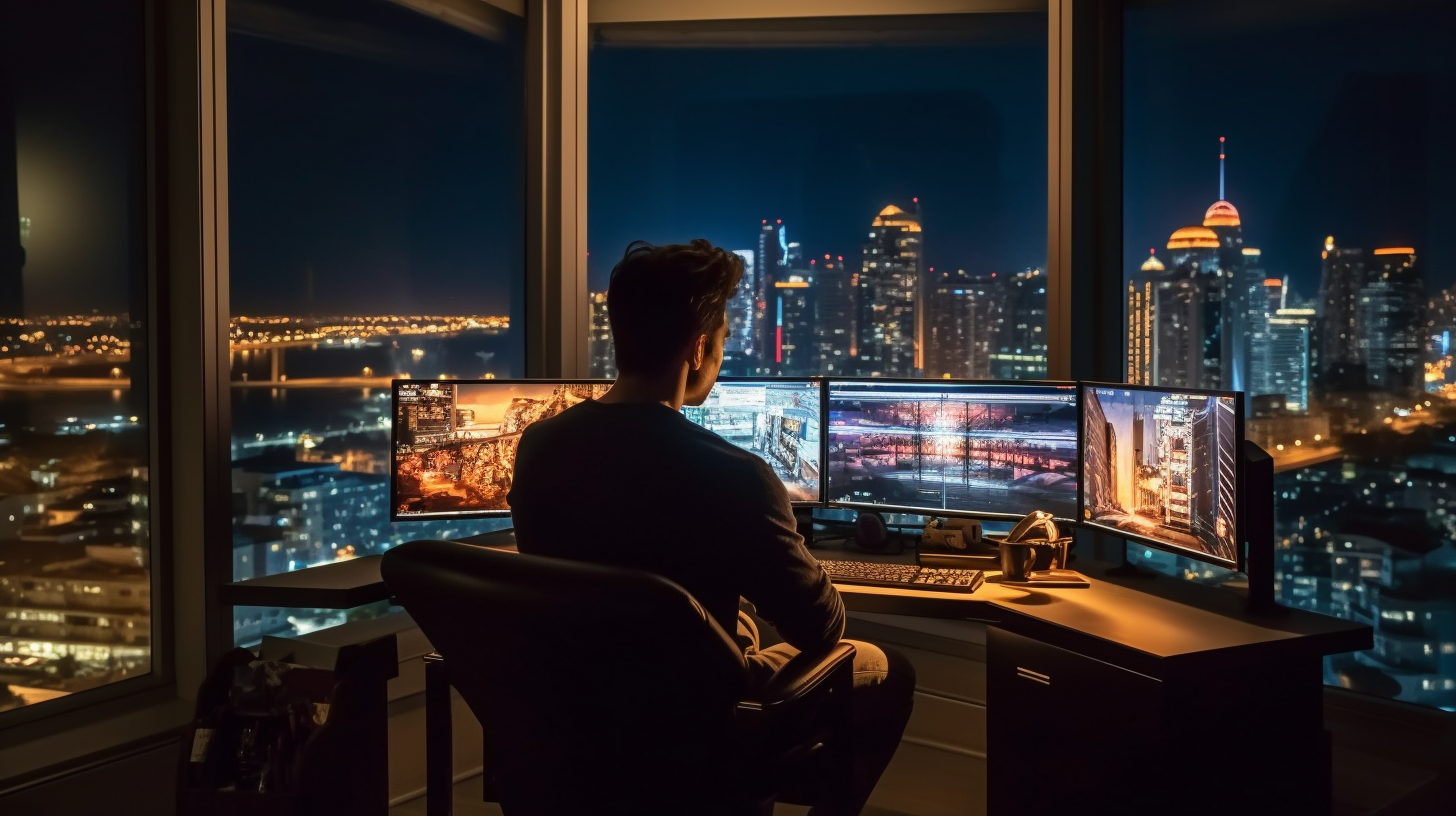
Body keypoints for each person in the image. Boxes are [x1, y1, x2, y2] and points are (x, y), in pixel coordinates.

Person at [507, 239, 915, 816]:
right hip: (699, 728)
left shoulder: (539, 447)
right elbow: (822, 627)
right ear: (698, 350)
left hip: (579, 722)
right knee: (886, 668)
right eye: (722, 344)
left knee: (741, 628)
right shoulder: (736, 475)